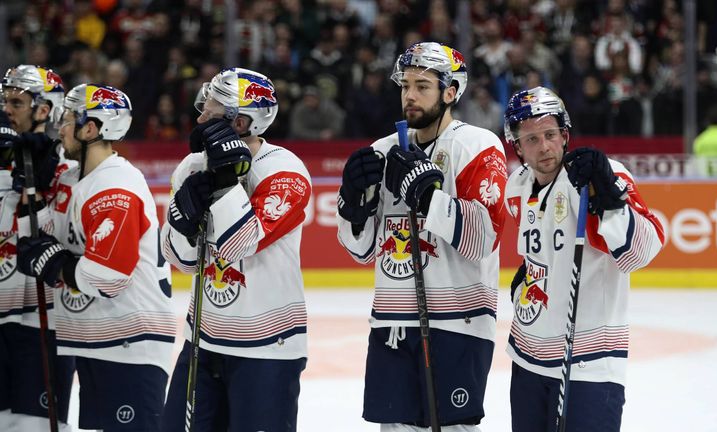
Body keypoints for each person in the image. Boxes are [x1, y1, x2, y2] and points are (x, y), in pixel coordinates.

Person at [336, 42, 508, 431]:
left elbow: (484, 238)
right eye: (405, 85)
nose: (410, 95)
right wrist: (352, 206)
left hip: (458, 323)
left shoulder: (478, 147)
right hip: (392, 324)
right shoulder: (381, 151)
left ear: (451, 93)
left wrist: (428, 197)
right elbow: (360, 251)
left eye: (422, 86)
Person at [502, 86, 665, 432]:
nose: (544, 147)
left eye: (550, 134)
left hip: (589, 365)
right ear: (517, 147)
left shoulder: (597, 177)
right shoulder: (515, 186)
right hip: (527, 359)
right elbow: (540, 254)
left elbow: (642, 251)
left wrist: (608, 196)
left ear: (565, 135)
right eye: (531, 139)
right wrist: (524, 287)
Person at [15, 83, 175, 431]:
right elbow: (49, 239)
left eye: (69, 119)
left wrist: (54, 264)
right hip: (98, 340)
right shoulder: (77, 178)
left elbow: (107, 275)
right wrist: (35, 193)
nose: (62, 127)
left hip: (131, 343)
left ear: (91, 129)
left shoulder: (115, 186)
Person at [160, 67, 312, 432]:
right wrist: (182, 223)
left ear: (239, 122)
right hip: (202, 341)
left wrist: (227, 182)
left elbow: (241, 244)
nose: (200, 118)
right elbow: (179, 258)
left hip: (267, 349)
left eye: (210, 110)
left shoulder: (284, 172)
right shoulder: (193, 166)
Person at [0, 64, 76, 432]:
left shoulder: (68, 169)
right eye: (5, 101)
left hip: (41, 323)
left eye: (16, 101)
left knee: (36, 427)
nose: (7, 109)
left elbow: (65, 242)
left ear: (44, 109)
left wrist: (38, 188)